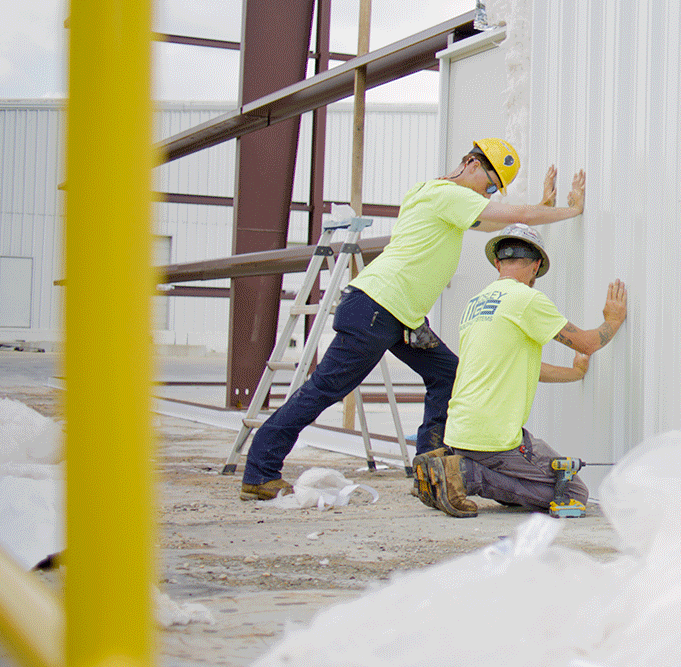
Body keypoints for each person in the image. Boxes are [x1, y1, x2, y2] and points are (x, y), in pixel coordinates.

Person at [239, 138, 589, 500]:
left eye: (493, 189)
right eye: (489, 184)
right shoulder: (446, 194)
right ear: (471, 162)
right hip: (376, 308)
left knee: (446, 374)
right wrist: (569, 210)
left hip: (399, 317)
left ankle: (431, 470)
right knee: (325, 388)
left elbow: (495, 222)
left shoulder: (441, 198)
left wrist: (541, 206)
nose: (489, 192)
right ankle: (260, 471)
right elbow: (521, 217)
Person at [413, 224, 627, 518]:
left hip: (461, 430)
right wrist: (613, 321)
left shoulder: (476, 304)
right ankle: (464, 476)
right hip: (493, 436)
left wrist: (574, 373)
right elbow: (587, 343)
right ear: (536, 266)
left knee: (526, 488)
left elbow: (519, 367)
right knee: (573, 495)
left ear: (498, 263)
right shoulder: (526, 299)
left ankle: (456, 468)